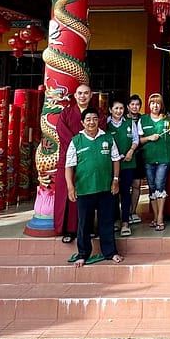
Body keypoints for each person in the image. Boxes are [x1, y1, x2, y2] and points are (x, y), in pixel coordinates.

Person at [64, 107, 123, 266]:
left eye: (95, 119)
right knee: (84, 223)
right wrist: (71, 187)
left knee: (107, 221)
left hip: (106, 188)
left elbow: (116, 160)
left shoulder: (108, 138)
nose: (92, 122)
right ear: (82, 122)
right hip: (84, 189)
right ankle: (83, 254)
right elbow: (69, 166)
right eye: (88, 119)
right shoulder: (76, 141)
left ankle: (110, 253)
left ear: (99, 121)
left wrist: (115, 180)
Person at [55, 83, 100, 243]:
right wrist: (79, 144)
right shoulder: (66, 112)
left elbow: (99, 133)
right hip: (69, 158)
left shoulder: (96, 113)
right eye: (80, 93)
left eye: (86, 93)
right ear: (75, 95)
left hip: (90, 160)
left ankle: (88, 229)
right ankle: (68, 230)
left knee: (89, 194)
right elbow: (62, 132)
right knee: (69, 193)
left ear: (91, 95)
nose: (83, 96)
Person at [138, 93, 170, 232]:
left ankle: (160, 218)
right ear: (149, 104)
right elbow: (138, 140)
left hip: (164, 157)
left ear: (161, 105)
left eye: (158, 103)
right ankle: (155, 216)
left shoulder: (167, 120)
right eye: (153, 103)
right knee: (152, 187)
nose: (155, 105)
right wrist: (149, 138)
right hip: (148, 158)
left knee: (160, 185)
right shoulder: (143, 120)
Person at [107, 99, 140, 236]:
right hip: (111, 164)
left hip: (127, 163)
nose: (119, 111)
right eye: (116, 108)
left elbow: (136, 139)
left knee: (126, 192)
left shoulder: (130, 123)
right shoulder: (106, 125)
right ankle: (116, 220)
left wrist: (131, 151)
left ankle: (125, 222)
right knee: (113, 192)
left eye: (121, 108)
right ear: (110, 110)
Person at [127, 94, 145, 224]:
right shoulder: (121, 119)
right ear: (128, 106)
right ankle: (123, 214)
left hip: (138, 156)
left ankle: (133, 212)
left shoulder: (144, 119)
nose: (135, 107)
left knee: (137, 185)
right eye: (132, 104)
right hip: (124, 157)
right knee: (124, 186)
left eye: (137, 104)